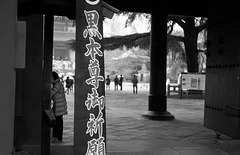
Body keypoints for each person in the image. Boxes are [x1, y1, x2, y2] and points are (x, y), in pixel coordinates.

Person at [51, 71, 68, 143]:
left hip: (59, 107)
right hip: (59, 107)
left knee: (58, 122)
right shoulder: (57, 84)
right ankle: (58, 137)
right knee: (58, 122)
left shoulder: (57, 84)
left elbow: (52, 93)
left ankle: (57, 137)